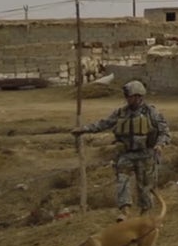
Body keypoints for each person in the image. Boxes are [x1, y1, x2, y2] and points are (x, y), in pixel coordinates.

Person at [71, 80, 171, 222]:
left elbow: (164, 131)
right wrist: (84, 129)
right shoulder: (121, 113)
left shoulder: (151, 112)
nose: (127, 99)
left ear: (138, 96)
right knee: (122, 180)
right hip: (126, 154)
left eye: (129, 96)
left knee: (145, 187)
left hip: (146, 155)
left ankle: (144, 215)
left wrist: (160, 145)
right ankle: (125, 211)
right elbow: (104, 123)